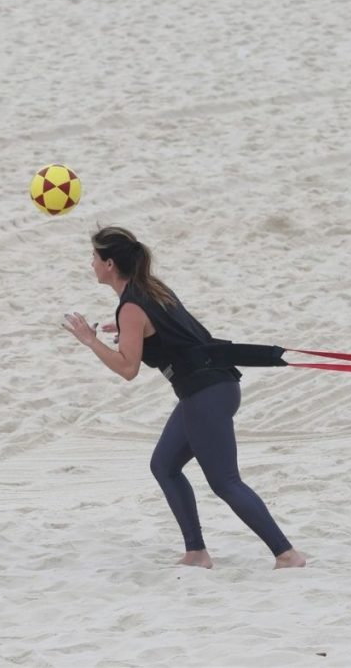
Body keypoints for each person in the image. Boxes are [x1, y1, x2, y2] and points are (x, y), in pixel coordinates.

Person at [63, 226, 305, 569]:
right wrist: (129, 331)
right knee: (164, 465)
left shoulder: (131, 306)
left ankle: (287, 554)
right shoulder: (150, 289)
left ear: (110, 265)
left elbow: (127, 368)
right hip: (215, 389)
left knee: (225, 482)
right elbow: (174, 331)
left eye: (94, 258)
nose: (91, 264)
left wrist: (91, 340)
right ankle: (196, 553)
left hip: (205, 395)